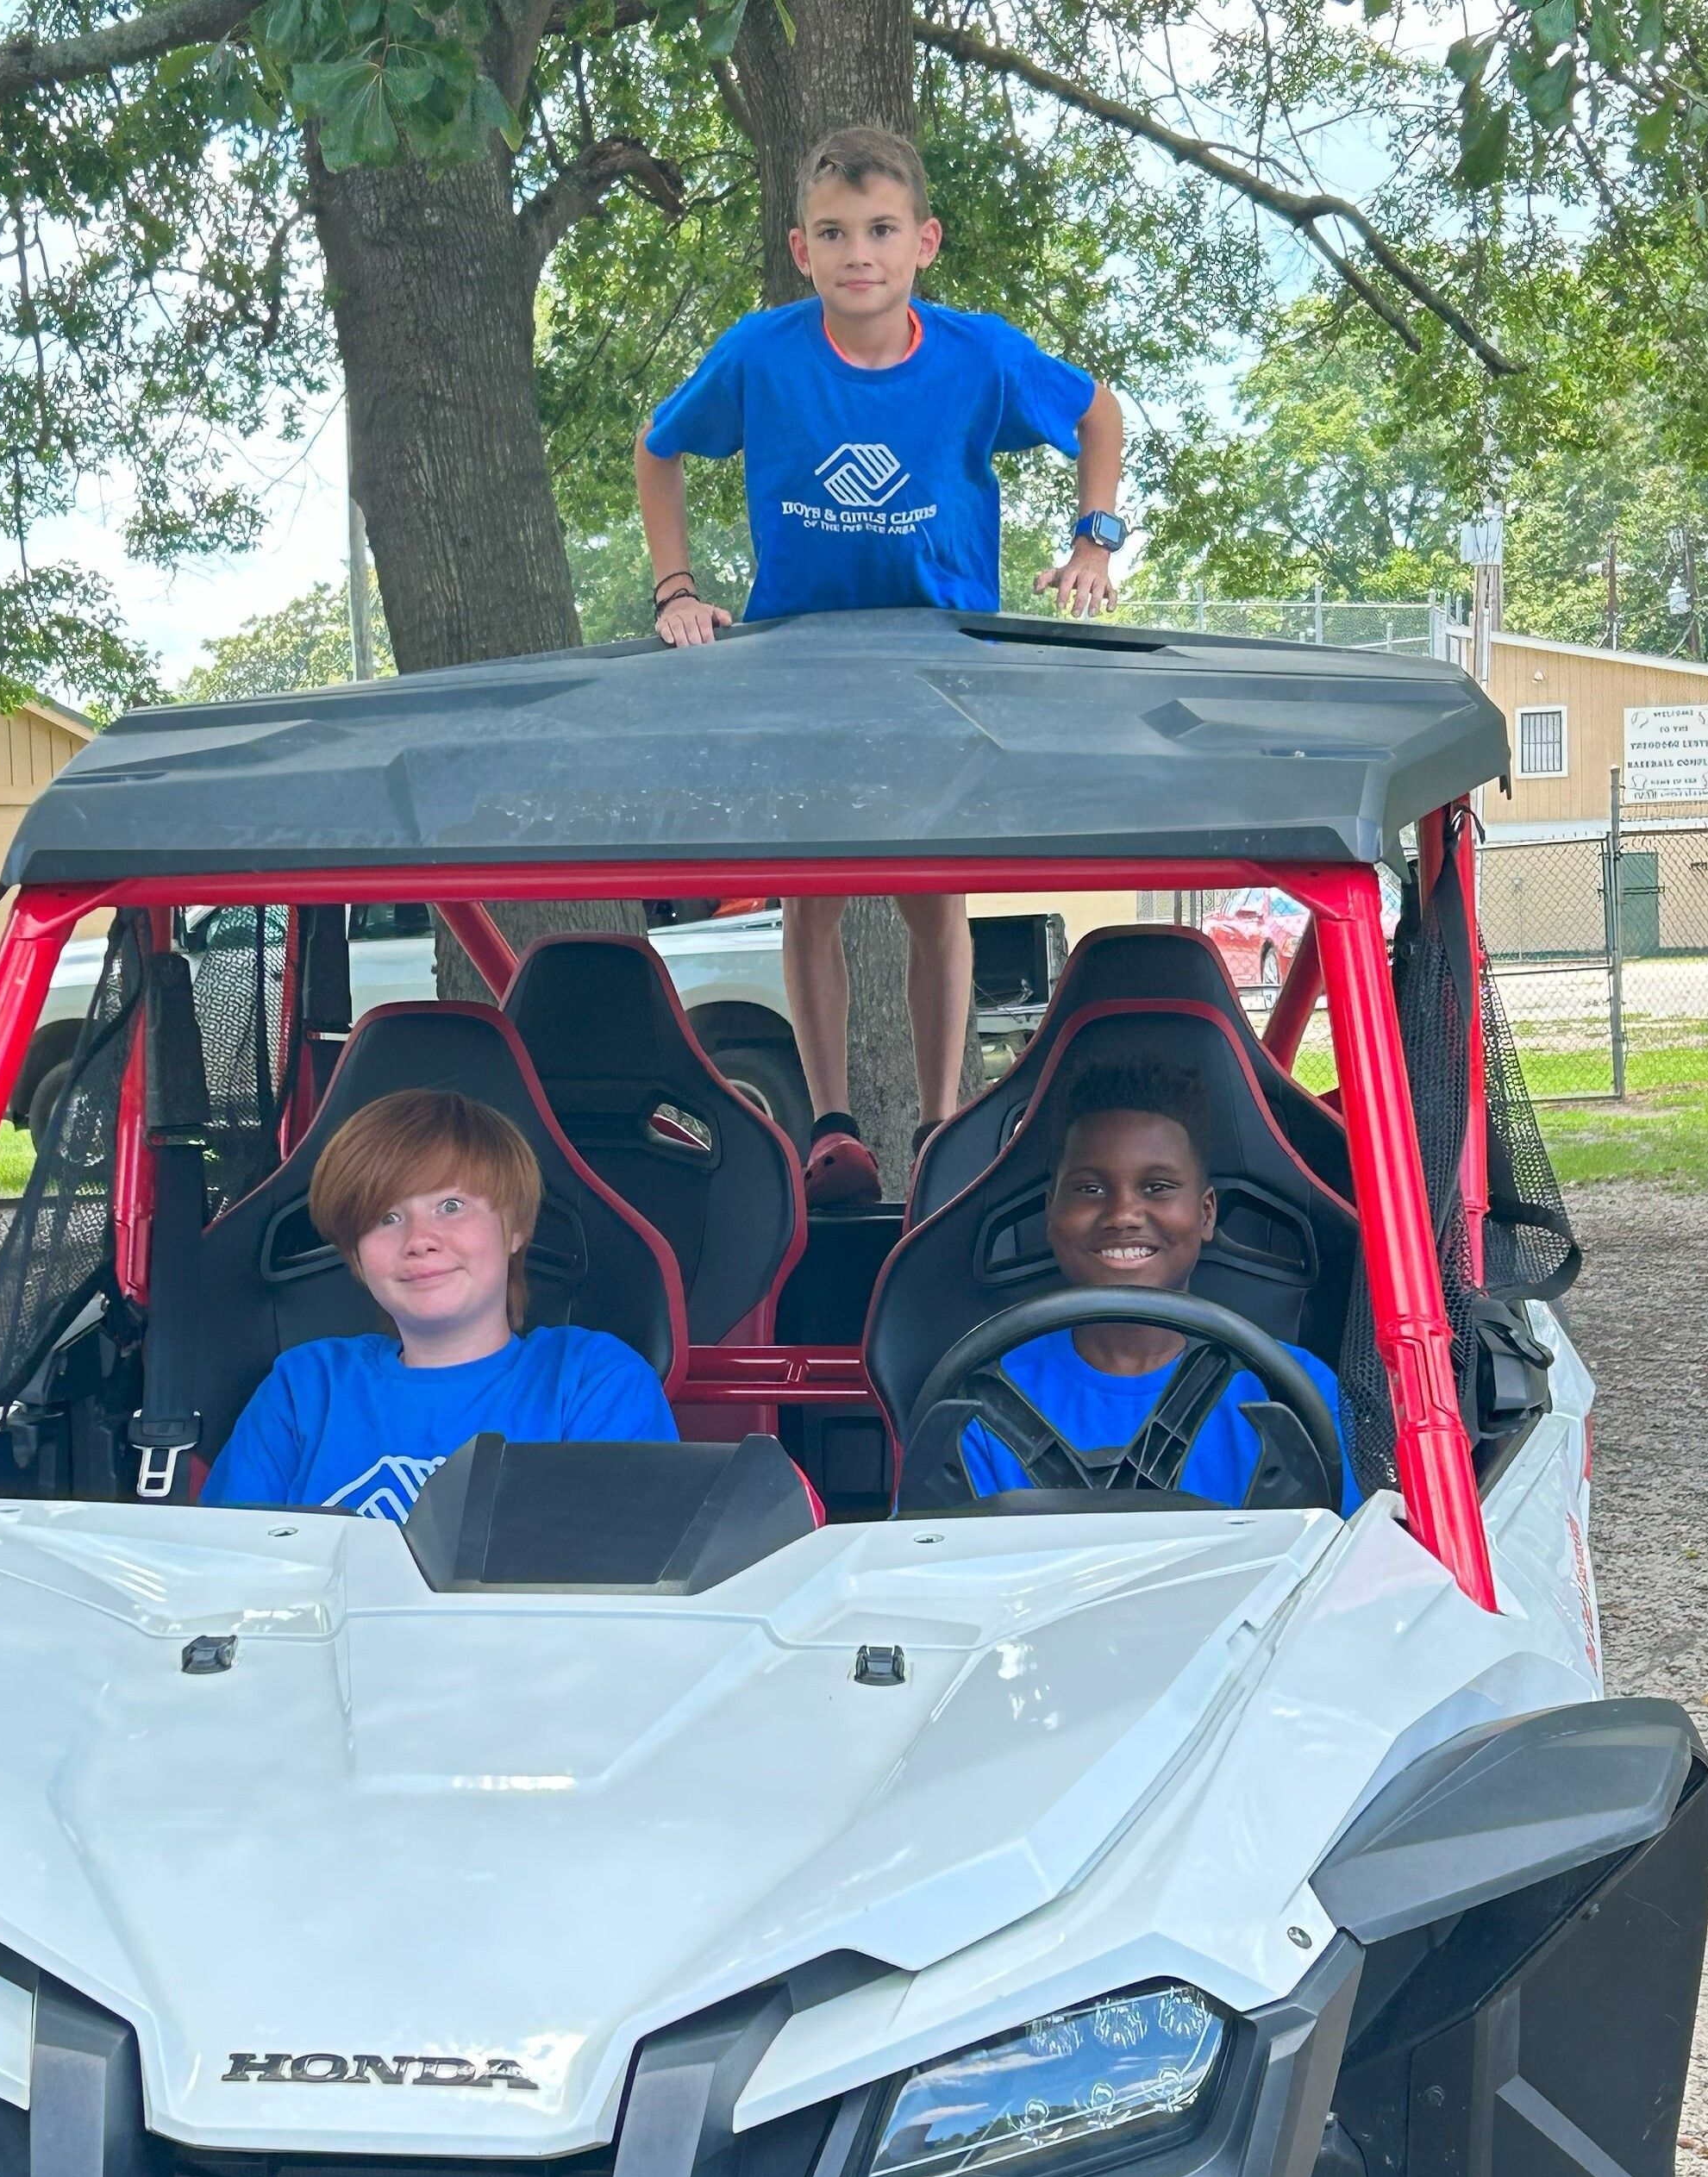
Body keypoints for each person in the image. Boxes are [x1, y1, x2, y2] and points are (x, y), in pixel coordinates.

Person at [634, 122, 1128, 1211]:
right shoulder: (760, 354)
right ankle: (832, 1126)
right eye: (834, 233)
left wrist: (1095, 535)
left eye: (882, 231)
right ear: (801, 250)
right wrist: (677, 589)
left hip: (937, 660)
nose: (860, 252)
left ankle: (943, 1120)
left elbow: (1097, 411)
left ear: (924, 243)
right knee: (810, 897)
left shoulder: (978, 355)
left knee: (931, 898)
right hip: (800, 661)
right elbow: (659, 447)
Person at [200, 1088, 677, 1520]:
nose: (419, 1240)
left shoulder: (592, 1381)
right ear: (358, 1258)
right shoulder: (305, 1386)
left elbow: (621, 1581)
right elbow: (228, 1567)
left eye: (451, 1206)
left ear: (514, 1229)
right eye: (385, 1217)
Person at [960, 1065, 1361, 1511]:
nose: (1123, 1214)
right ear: (1051, 1213)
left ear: (1206, 1213)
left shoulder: (1297, 1393)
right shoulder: (977, 1408)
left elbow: (1352, 1561)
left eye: (1157, 1187)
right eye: (1090, 1188)